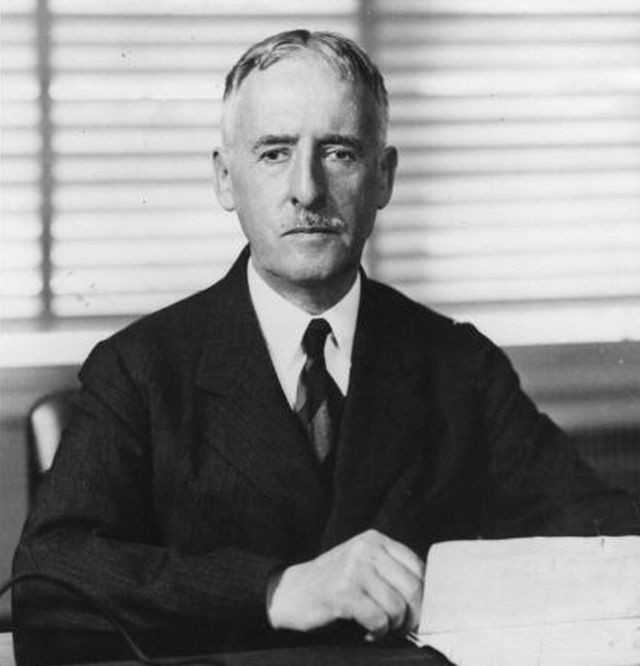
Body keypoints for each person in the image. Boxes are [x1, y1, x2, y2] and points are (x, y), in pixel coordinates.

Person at [12, 29, 640, 665]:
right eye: (274, 153)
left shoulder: (459, 367)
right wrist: (277, 590)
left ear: (384, 178)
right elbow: (48, 580)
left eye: (339, 153)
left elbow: (608, 542)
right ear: (225, 180)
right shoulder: (141, 367)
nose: (307, 190)